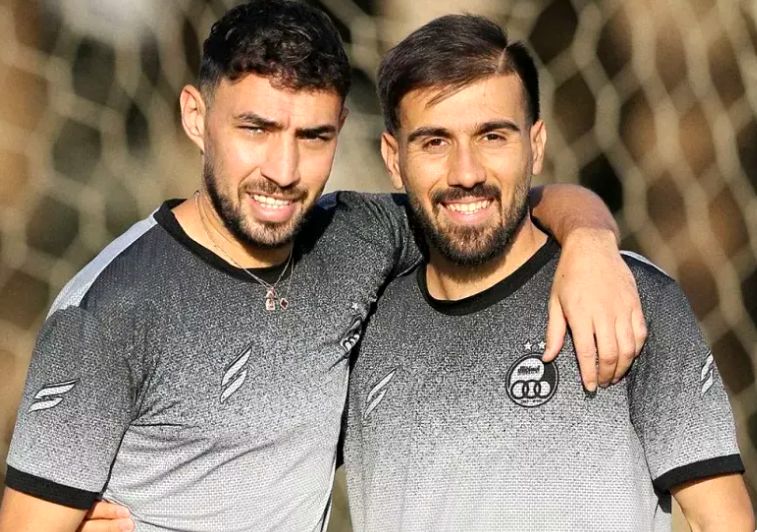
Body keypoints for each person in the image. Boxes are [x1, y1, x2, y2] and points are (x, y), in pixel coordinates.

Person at [0, 2, 646, 532]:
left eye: (312, 137)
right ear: (196, 117)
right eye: (256, 129)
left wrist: (590, 243)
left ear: (340, 128)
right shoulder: (108, 310)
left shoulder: (356, 237)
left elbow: (508, 201)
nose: (283, 171)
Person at [342, 14, 755, 531]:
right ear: (392, 157)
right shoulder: (359, 320)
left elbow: (723, 521)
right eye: (435, 142)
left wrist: (589, 237)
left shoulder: (628, 296)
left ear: (535, 145)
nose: (466, 172)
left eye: (493, 136)